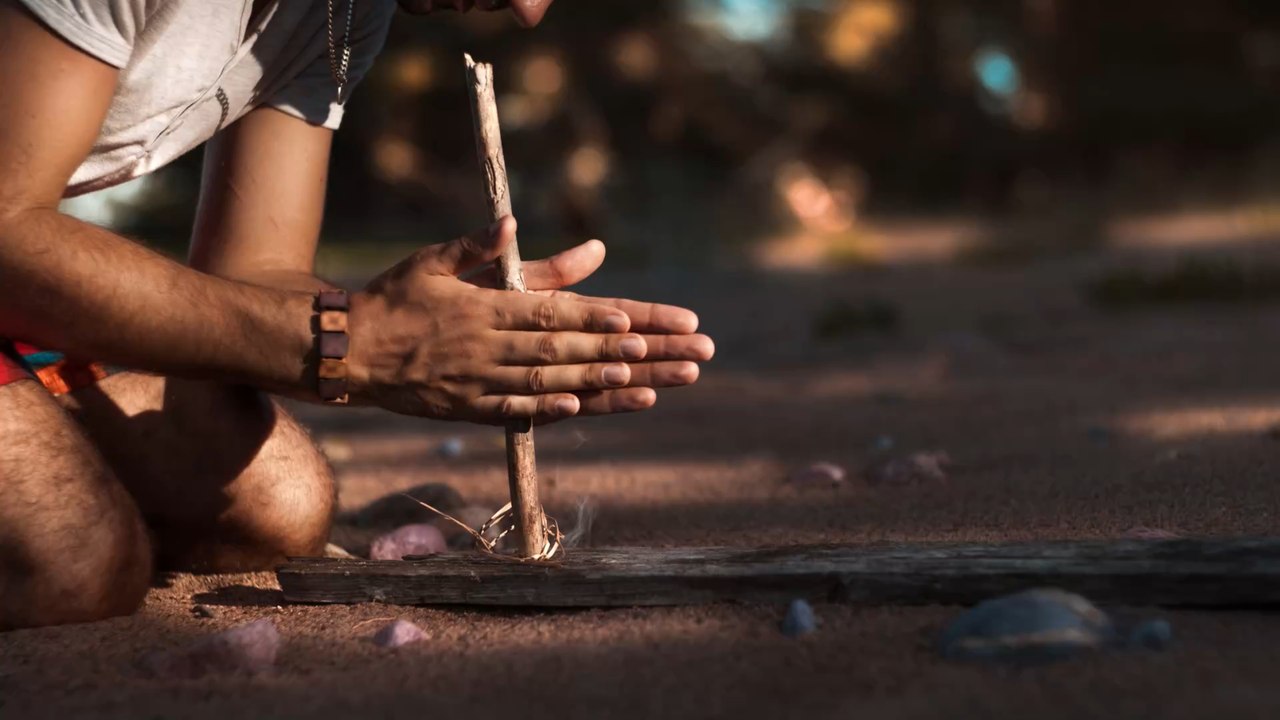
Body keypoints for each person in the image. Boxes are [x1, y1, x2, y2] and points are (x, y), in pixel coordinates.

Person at [0, 0, 714, 630]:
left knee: (275, 502)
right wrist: (353, 346)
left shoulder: (345, 11)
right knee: (71, 561)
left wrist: (430, 329)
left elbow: (252, 272)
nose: (527, 12)